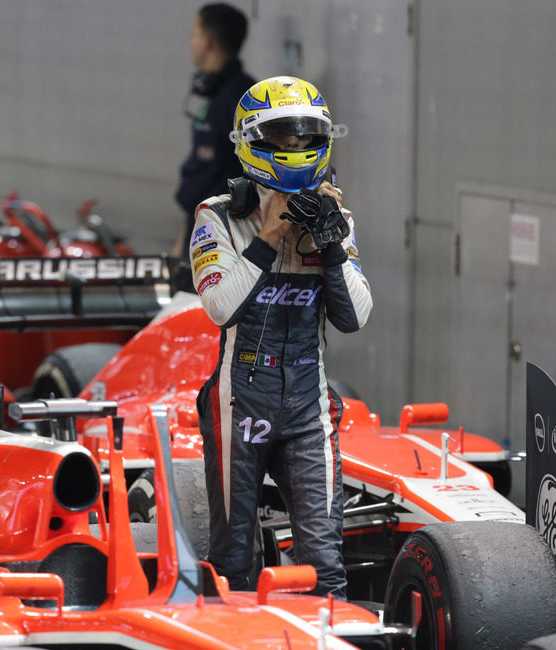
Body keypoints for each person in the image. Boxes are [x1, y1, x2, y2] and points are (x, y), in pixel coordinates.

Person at [190, 75, 372, 598]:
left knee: (324, 566)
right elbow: (221, 308)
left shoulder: (337, 218)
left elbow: (355, 318)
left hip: (308, 410)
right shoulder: (217, 216)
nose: (295, 149)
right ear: (253, 141)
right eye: (283, 139)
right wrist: (269, 236)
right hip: (238, 405)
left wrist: (333, 248)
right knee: (232, 564)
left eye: (305, 138)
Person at [174, 3, 255, 271]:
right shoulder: (205, 87)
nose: (190, 43)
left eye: (193, 35)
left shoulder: (242, 97)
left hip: (225, 233)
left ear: (207, 41)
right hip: (196, 221)